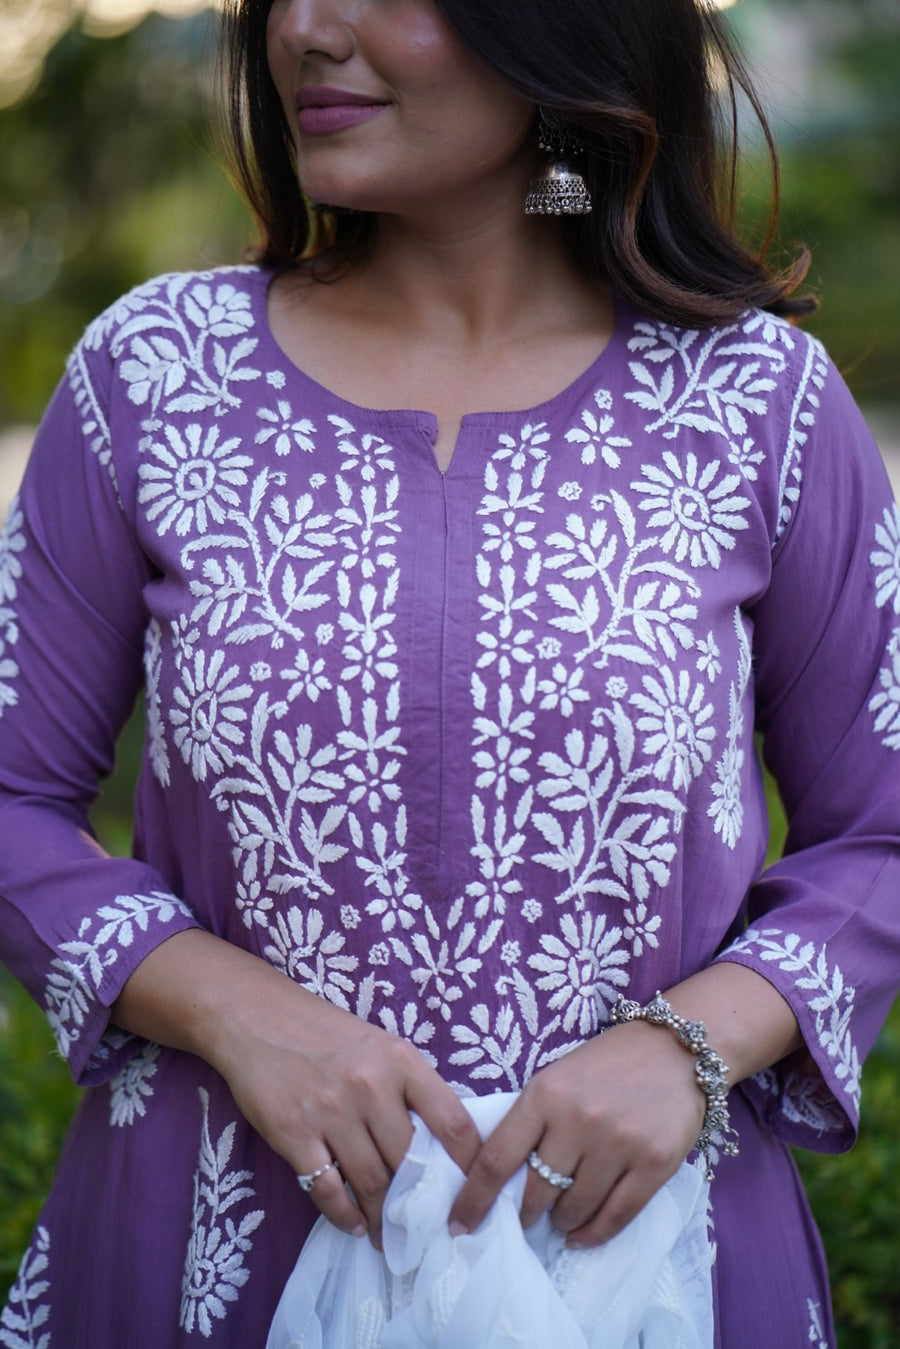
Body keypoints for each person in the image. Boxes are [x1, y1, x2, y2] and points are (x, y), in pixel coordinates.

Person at [1, 0, 898, 1343]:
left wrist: (689, 1048)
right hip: (206, 1240)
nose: (307, 31)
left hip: (649, 1263)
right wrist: (238, 1012)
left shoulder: (755, 404)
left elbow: (882, 833)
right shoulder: (157, 377)